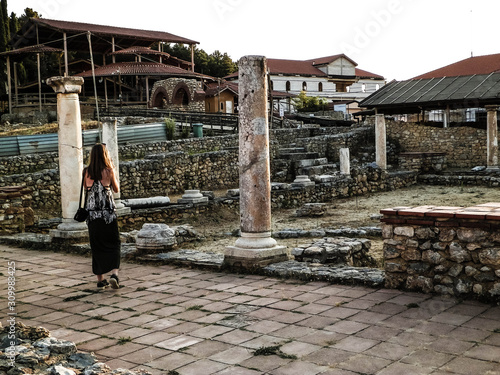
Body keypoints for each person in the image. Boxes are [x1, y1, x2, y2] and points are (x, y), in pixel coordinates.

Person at [83, 143, 121, 289]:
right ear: (105, 155)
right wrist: (112, 172)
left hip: (92, 216)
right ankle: (115, 274)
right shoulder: (108, 171)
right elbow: (116, 190)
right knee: (114, 243)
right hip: (108, 214)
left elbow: (86, 189)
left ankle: (100, 279)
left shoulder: (85, 172)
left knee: (96, 245)